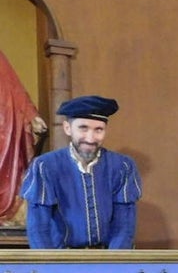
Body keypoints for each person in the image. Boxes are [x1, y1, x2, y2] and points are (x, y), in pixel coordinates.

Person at [20, 95, 142, 249]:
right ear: (67, 128)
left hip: (107, 261)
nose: (90, 138)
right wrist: (49, 267)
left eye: (98, 130)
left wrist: (113, 264)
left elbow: (124, 225)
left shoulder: (123, 166)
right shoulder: (45, 166)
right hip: (61, 262)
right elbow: (38, 228)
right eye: (83, 128)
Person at [0, 50, 47, 222]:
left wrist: (31, 115)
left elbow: (14, 89)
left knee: (8, 165)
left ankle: (10, 209)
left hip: (3, 128)